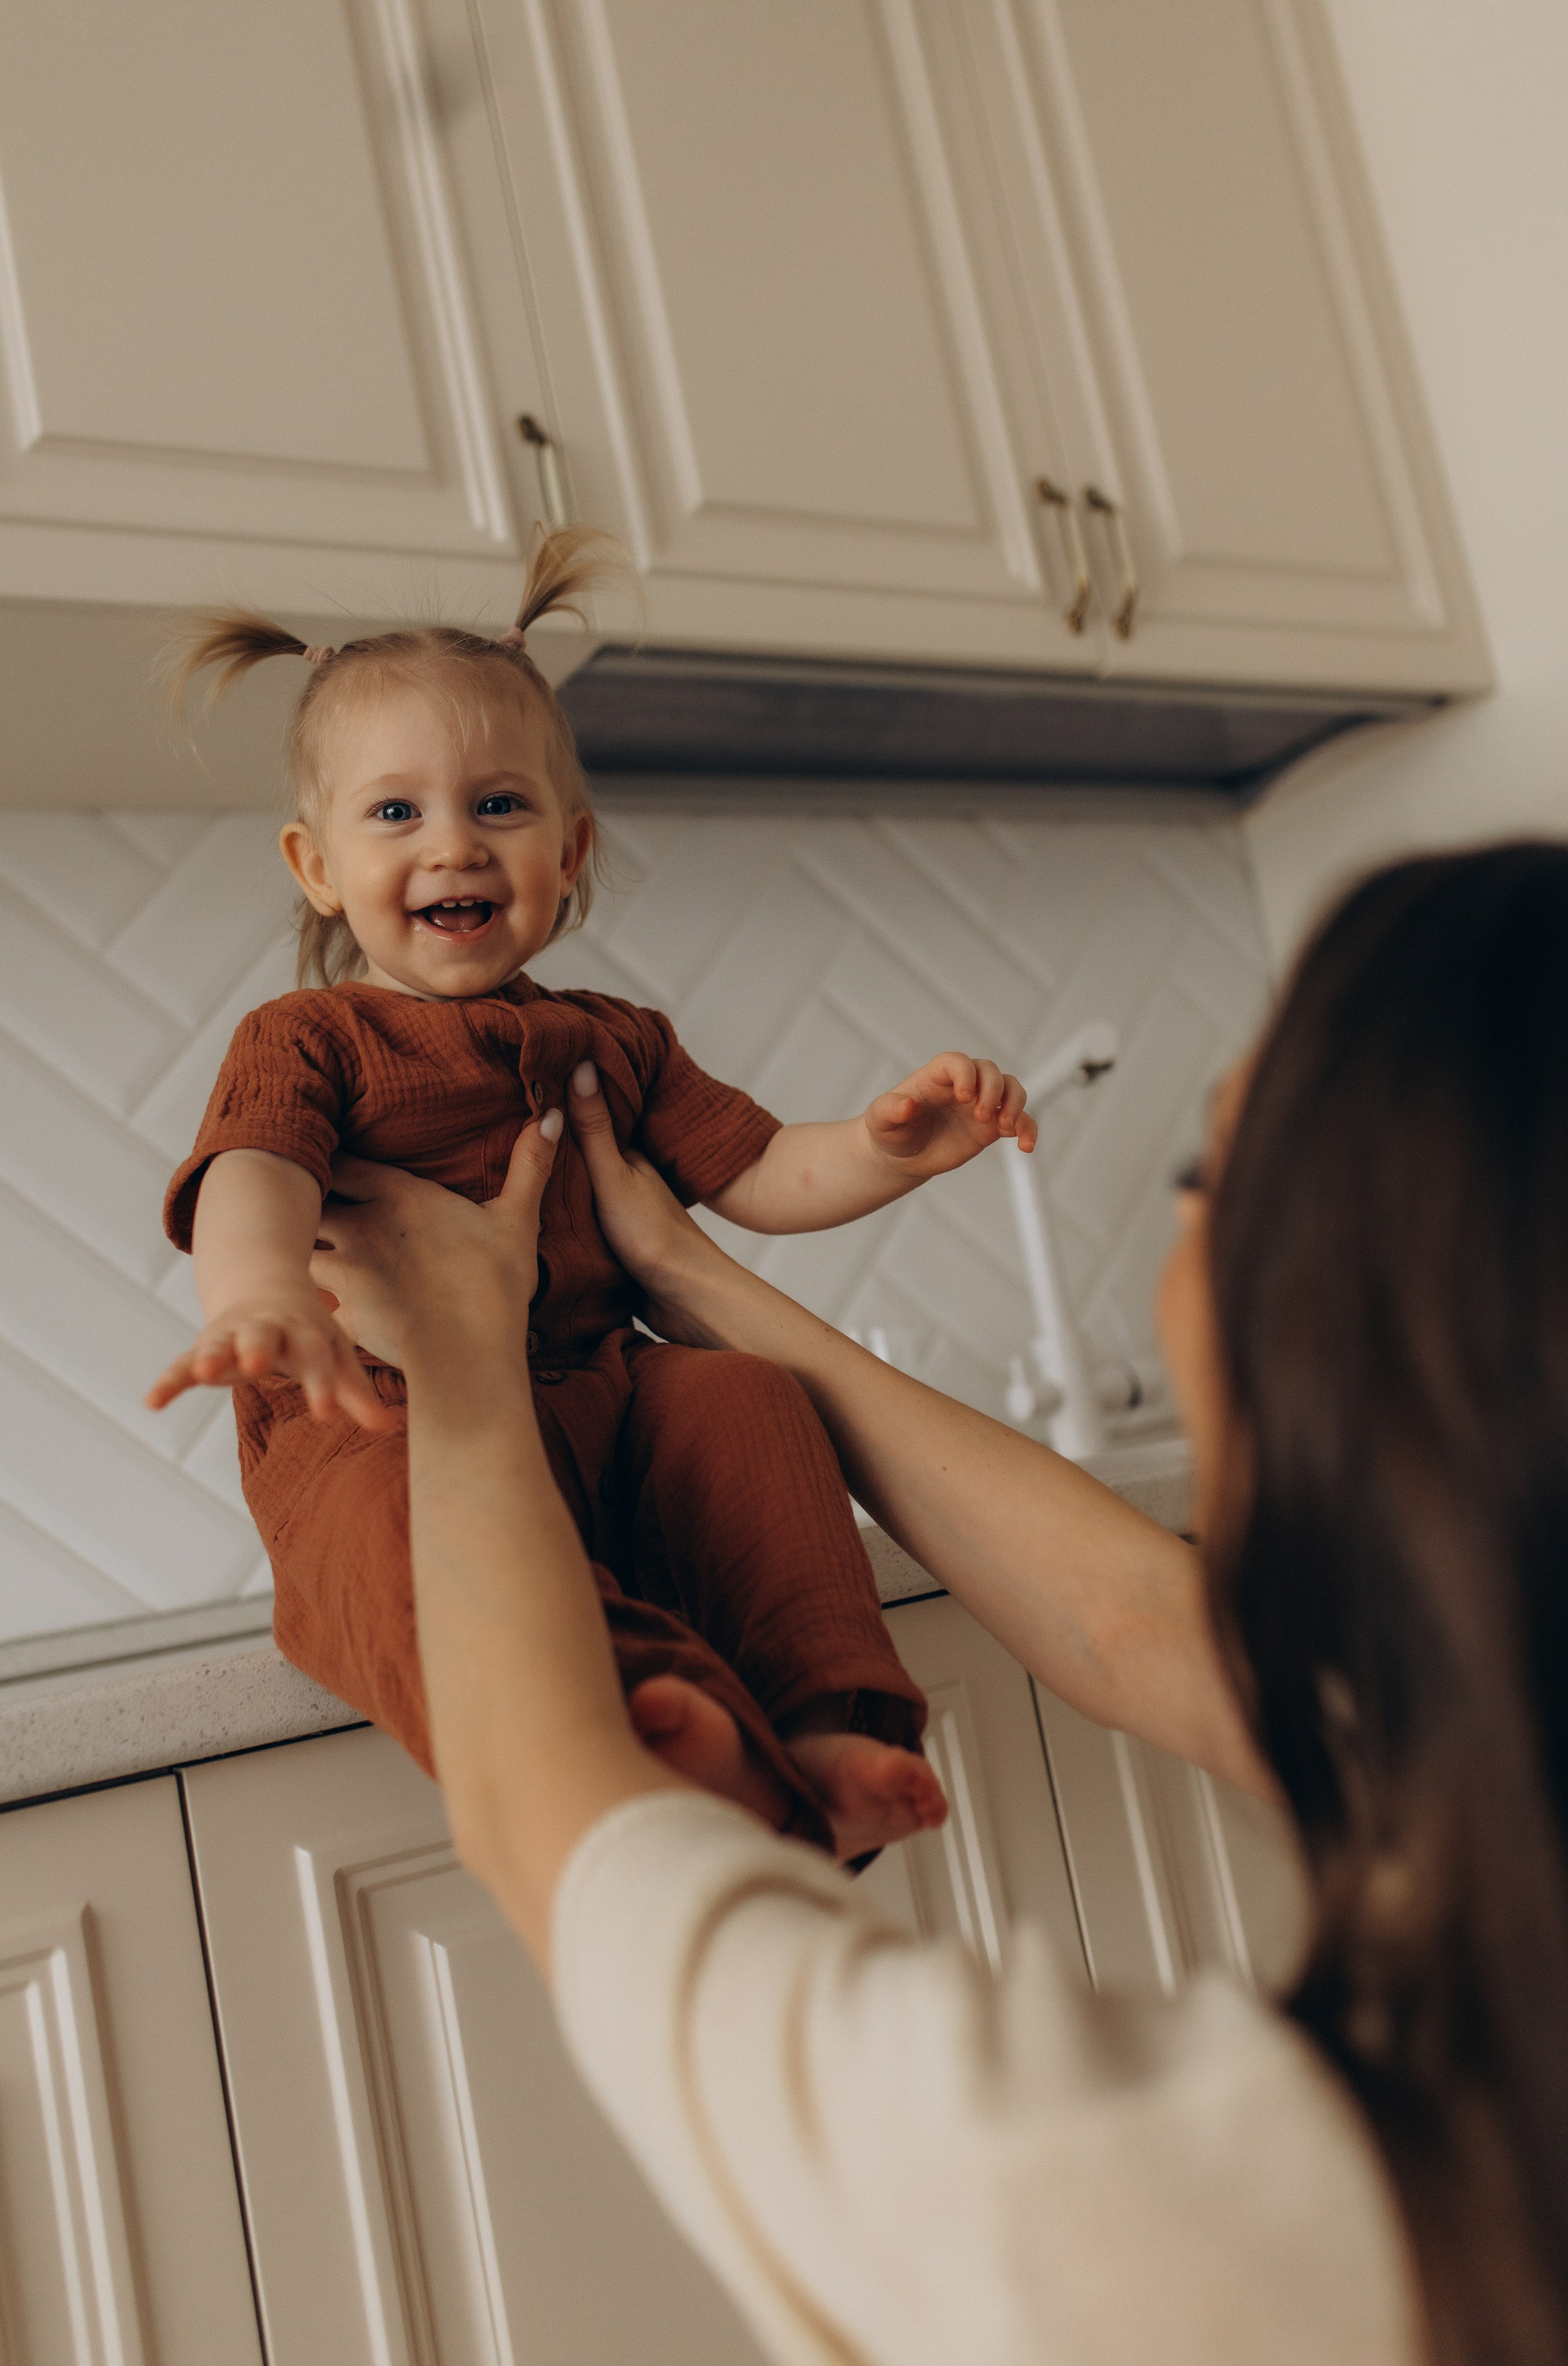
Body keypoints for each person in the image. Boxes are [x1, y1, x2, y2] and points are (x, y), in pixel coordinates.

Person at [305, 842, 1568, 2365]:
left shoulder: (1182, 2208)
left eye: (1200, 1182)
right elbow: (1138, 1628)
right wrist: (678, 1274)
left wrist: (458, 1356)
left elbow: (553, 1824)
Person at [144, 525, 1037, 1860]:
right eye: (396, 812)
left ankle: (822, 1718)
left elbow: (753, 1174)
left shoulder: (615, 1039)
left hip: (602, 1395)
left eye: (497, 806)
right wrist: (263, 1295)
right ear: (316, 865)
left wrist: (885, 1148)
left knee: (742, 1394)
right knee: (391, 1521)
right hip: (379, 1412)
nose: (453, 844)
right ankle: (631, 1710)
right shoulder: (310, 1040)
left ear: (569, 851)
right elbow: (254, 1173)